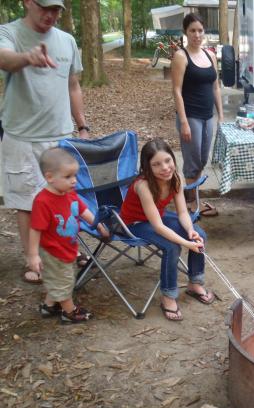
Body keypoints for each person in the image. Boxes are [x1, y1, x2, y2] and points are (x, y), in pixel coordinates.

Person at [0, 0, 90, 284]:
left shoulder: (67, 40)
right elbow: (4, 59)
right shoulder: (9, 32)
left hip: (60, 136)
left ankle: (64, 250)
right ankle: (32, 259)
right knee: (27, 202)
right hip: (21, 136)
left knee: (64, 199)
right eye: (45, 7)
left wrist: (82, 125)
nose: (51, 15)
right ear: (27, 2)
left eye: (56, 9)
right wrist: (28, 57)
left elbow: (73, 84)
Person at [119, 138, 214, 321]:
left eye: (168, 160)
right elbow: (158, 227)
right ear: (147, 168)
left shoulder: (175, 179)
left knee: (199, 235)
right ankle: (168, 296)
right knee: (172, 247)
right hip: (134, 224)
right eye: (157, 164)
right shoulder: (143, 185)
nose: (165, 167)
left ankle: (195, 283)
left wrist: (189, 231)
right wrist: (185, 242)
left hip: (157, 217)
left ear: (173, 159)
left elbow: (183, 213)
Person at [28, 148, 108, 324]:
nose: (74, 181)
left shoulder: (69, 193)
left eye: (75, 176)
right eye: (68, 177)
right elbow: (35, 229)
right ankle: (69, 312)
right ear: (50, 177)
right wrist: (33, 255)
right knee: (63, 281)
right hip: (52, 252)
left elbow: (82, 210)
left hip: (67, 247)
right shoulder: (43, 201)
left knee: (60, 279)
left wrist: (98, 224)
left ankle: (49, 306)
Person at [171, 13, 223, 216]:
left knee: (202, 160)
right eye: (192, 30)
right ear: (186, 32)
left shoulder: (210, 55)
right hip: (190, 116)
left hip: (208, 116)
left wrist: (221, 116)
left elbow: (216, 87)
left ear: (204, 32)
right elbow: (176, 90)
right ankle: (190, 203)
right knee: (192, 163)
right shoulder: (181, 56)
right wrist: (183, 121)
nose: (197, 34)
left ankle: (195, 198)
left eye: (200, 30)